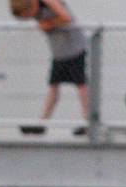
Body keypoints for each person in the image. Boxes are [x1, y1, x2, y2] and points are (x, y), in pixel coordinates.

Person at [11, 0, 88, 136]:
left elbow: (66, 18)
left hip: (74, 49)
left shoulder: (48, 3)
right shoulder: (35, 12)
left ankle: (88, 123)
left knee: (81, 86)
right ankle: (43, 123)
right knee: (53, 86)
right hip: (59, 52)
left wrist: (50, 25)